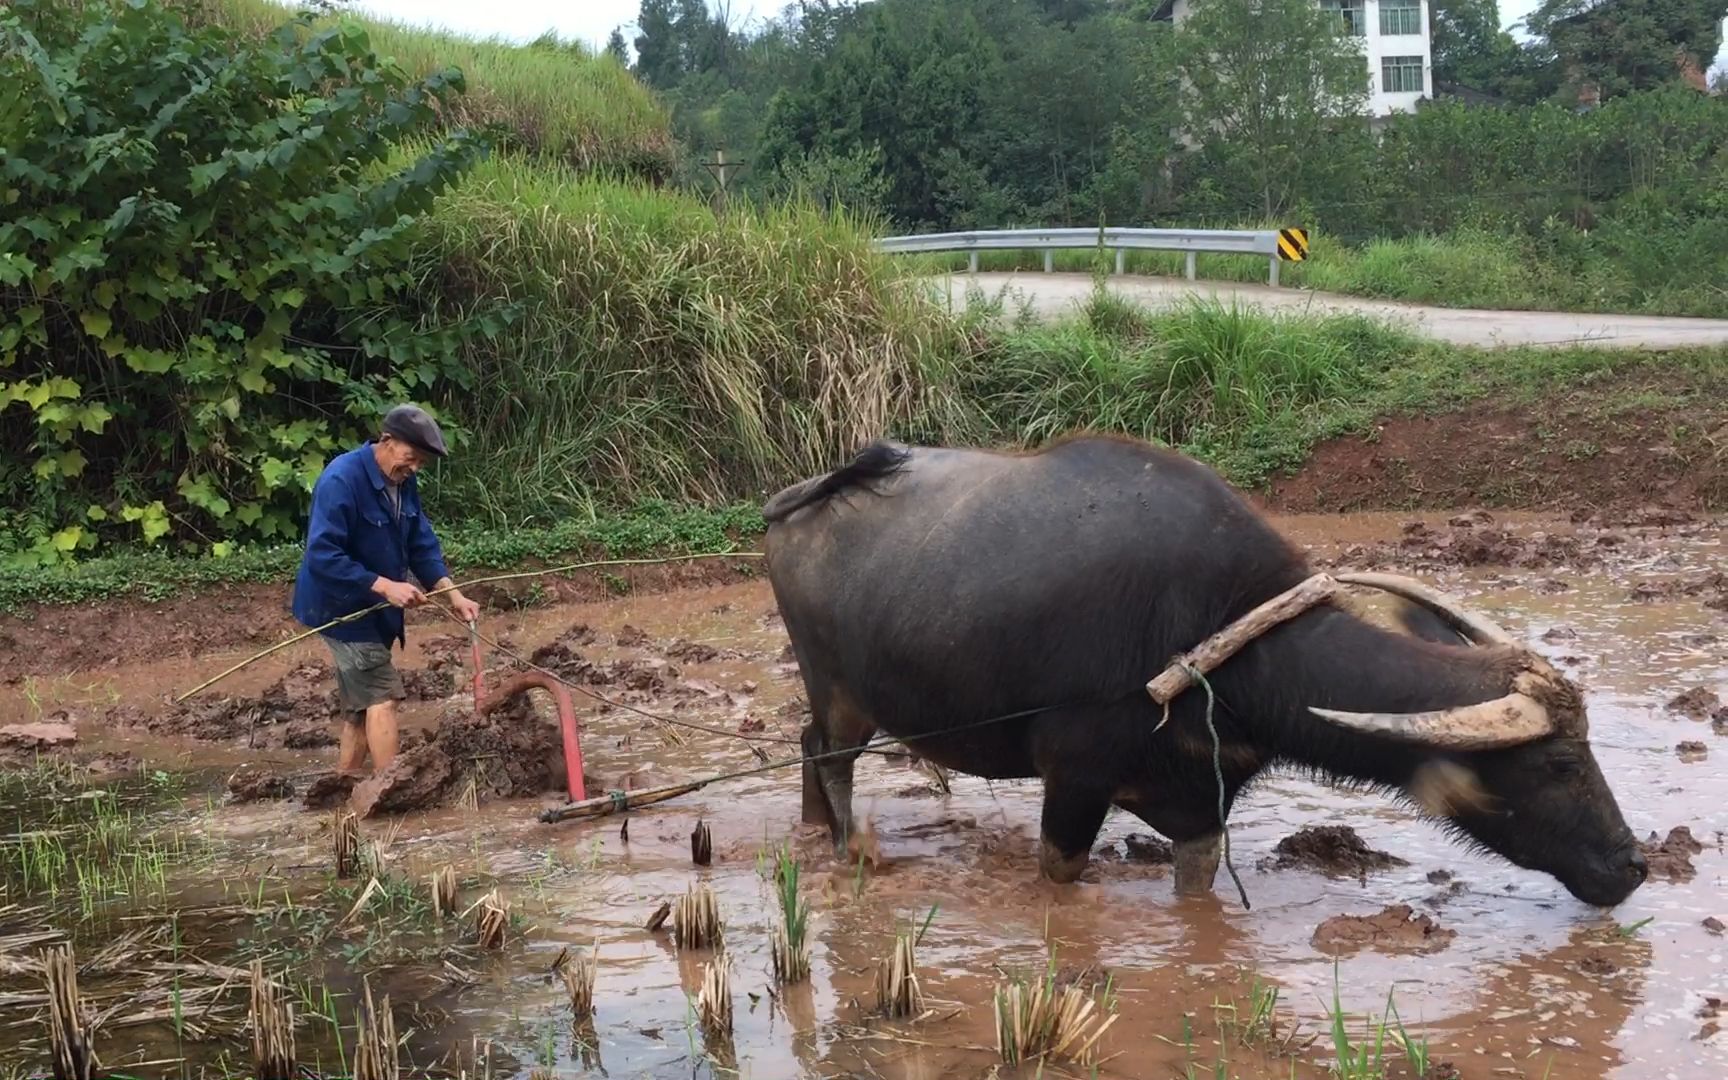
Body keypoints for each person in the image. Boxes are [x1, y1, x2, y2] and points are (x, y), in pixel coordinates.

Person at [291, 404, 481, 774]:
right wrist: (384, 585)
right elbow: (322, 555)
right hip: (343, 609)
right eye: (411, 458)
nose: (414, 469)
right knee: (382, 696)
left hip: (375, 610)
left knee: (360, 710)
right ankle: (388, 792)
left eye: (421, 464)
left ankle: (345, 786)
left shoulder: (403, 483)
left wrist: (452, 594)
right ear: (387, 441)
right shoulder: (342, 480)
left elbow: (421, 546)